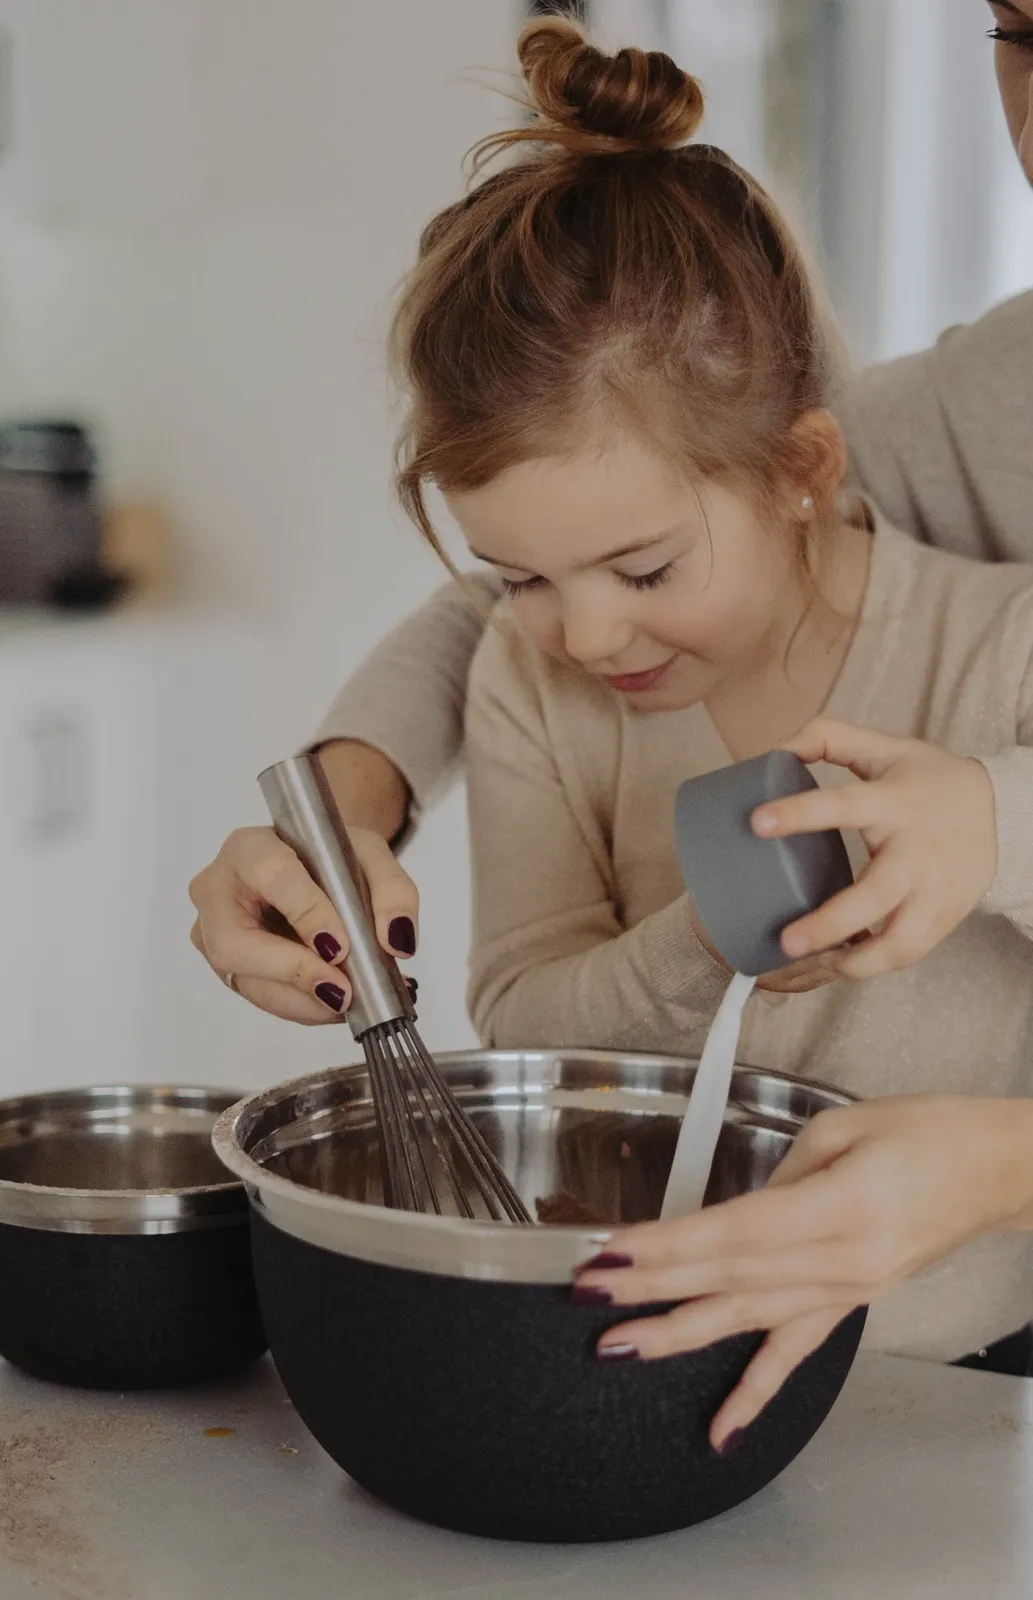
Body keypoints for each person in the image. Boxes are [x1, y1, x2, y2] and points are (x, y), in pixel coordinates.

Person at [189, 6, 1033, 1443]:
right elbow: (615, 536)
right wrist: (347, 800)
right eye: (1018, 32)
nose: (584, 634)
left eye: (642, 574)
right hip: (679, 1383)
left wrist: (995, 818)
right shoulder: (562, 659)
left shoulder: (987, 638)